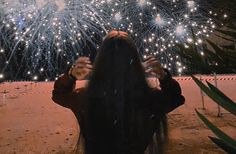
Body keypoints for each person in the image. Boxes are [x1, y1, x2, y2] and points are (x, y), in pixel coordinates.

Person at [52, 30, 185, 154]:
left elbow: (59, 94)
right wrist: (164, 76)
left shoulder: (85, 98)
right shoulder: (150, 99)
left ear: (101, 60)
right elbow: (176, 98)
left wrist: (70, 76)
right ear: (134, 61)